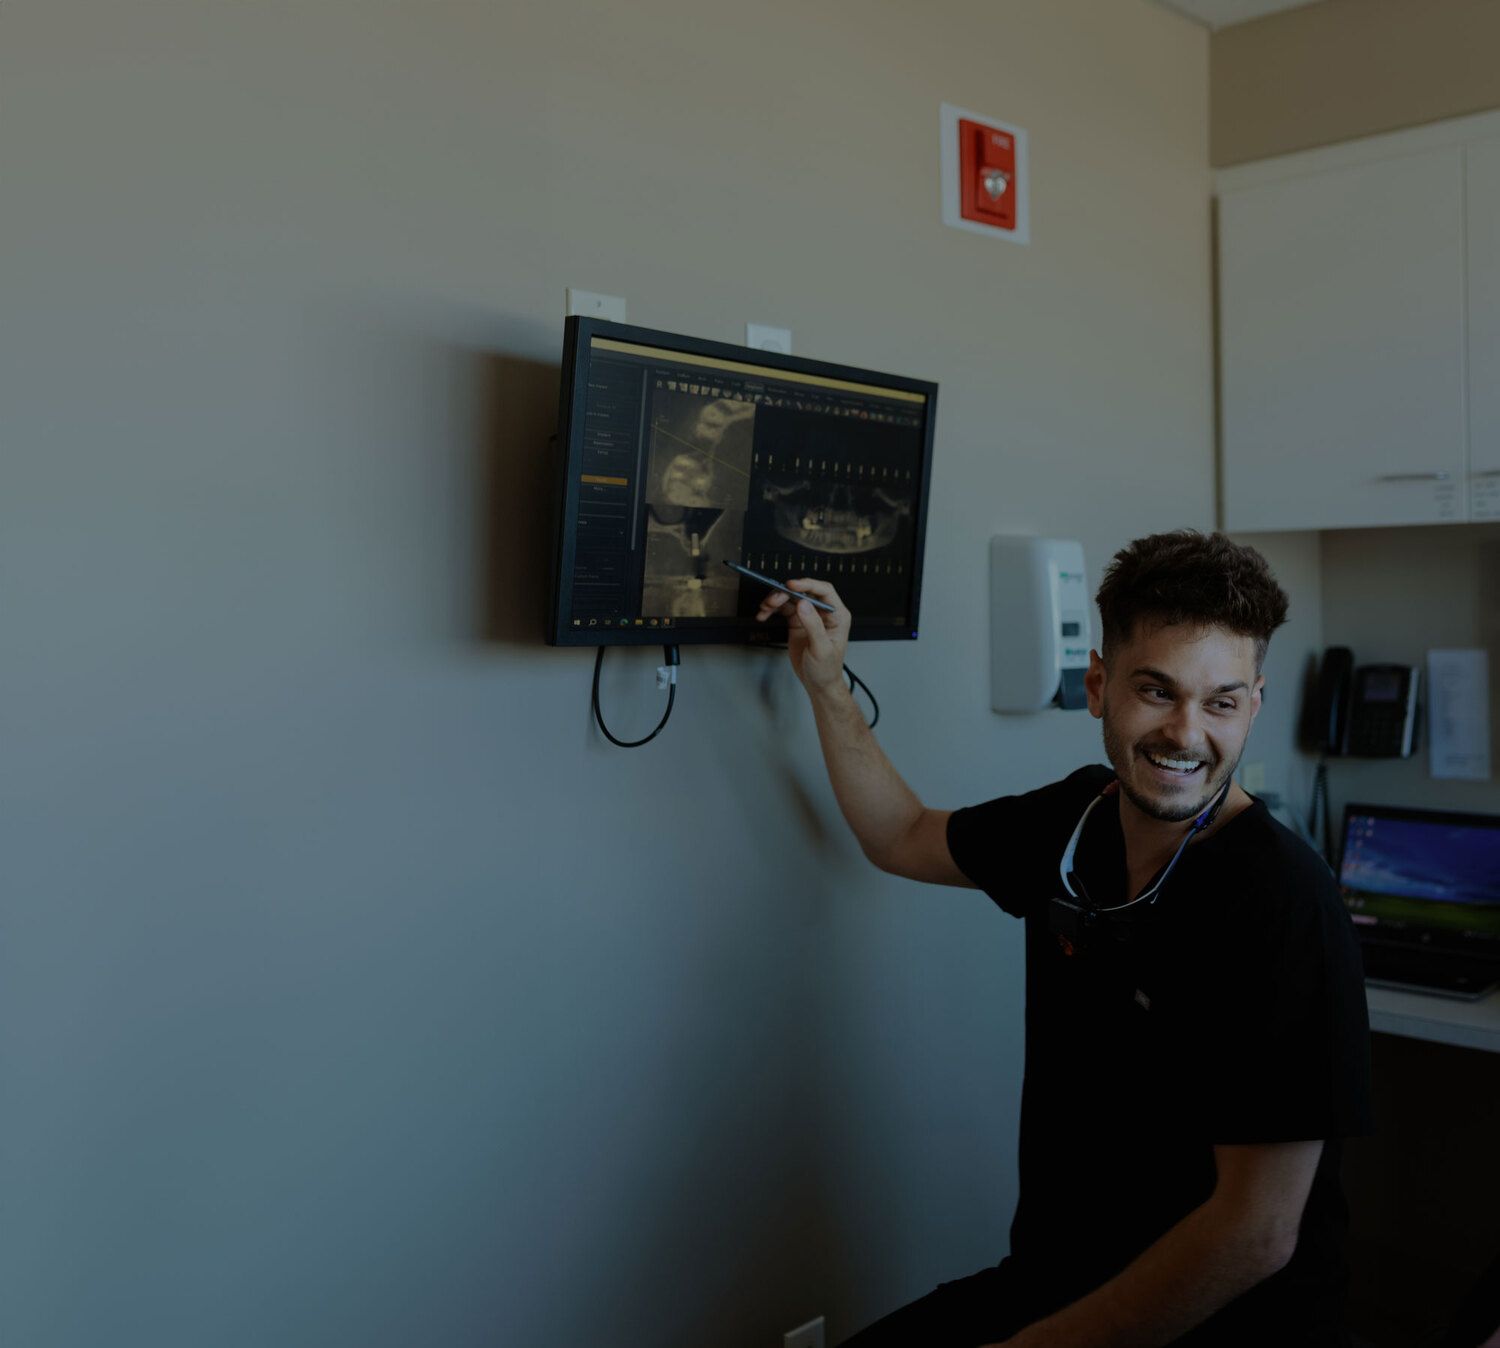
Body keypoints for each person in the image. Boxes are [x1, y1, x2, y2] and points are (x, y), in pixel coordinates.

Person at [757, 530, 1375, 1347]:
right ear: (1098, 686)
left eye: (1221, 703)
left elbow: (1254, 1233)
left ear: (1253, 706)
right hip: (1054, 1281)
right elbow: (900, 835)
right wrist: (827, 683)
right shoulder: (1078, 820)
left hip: (1228, 1325)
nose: (1186, 733)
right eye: (1156, 691)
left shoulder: (1284, 902)